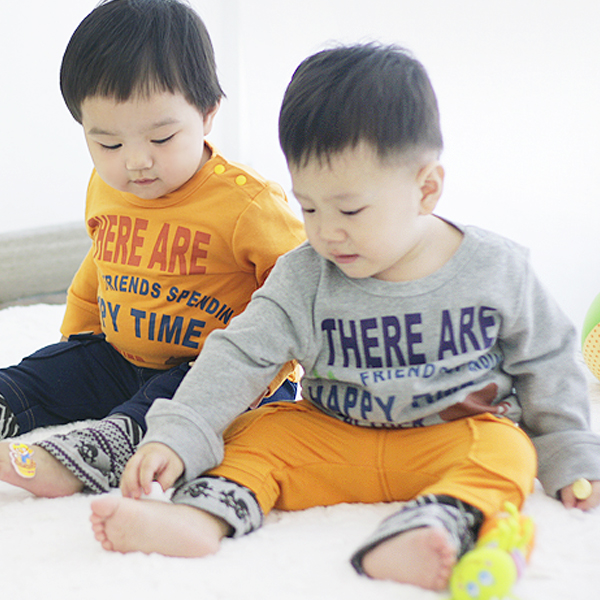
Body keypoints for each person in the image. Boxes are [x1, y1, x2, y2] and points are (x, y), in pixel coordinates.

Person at [90, 43, 600, 592]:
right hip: (333, 439)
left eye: (350, 210)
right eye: (309, 207)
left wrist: (570, 452)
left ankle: (430, 527)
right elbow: (239, 355)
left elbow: (548, 359)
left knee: (508, 451)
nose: (327, 232)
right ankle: (199, 517)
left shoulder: (495, 268)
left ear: (426, 189)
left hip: (449, 440)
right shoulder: (304, 275)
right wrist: (178, 435)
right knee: (255, 432)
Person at [0, 0, 304, 498]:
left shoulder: (248, 205)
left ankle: (97, 451)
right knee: (39, 377)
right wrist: (74, 347)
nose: (136, 162)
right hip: (122, 356)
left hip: (216, 373)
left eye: (161, 138)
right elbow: (98, 269)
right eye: (109, 145)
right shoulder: (105, 188)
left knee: (172, 404)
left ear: (208, 113)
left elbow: (303, 289)